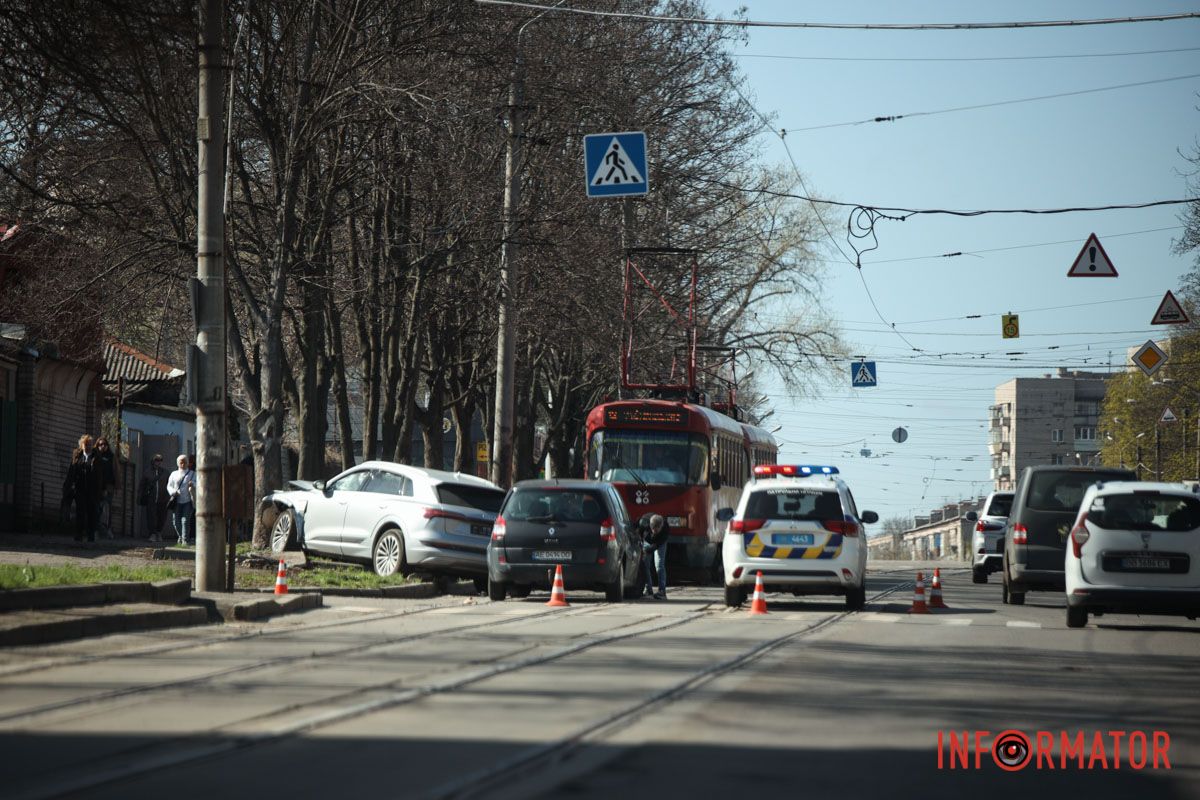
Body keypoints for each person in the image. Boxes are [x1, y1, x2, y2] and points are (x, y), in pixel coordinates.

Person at [64, 434, 101, 543]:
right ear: (82, 445)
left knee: (91, 513)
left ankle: (91, 536)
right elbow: (71, 472)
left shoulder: (96, 457)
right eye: (86, 444)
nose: (88, 446)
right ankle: (78, 534)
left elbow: (100, 475)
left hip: (92, 490)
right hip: (80, 489)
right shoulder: (77, 456)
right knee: (80, 512)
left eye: (90, 444)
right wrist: (68, 486)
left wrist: (100, 489)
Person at [138, 454, 170, 542]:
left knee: (162, 517)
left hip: (163, 498)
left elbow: (170, 484)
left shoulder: (165, 472)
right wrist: (141, 496)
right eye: (156, 460)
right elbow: (142, 485)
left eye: (160, 460)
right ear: (153, 461)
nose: (158, 462)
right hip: (151, 498)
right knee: (151, 517)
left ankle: (159, 532)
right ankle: (152, 534)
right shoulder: (147, 472)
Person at [166, 454, 196, 546]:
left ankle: (185, 540)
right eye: (181, 462)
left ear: (187, 463)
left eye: (185, 462)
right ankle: (180, 536)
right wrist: (173, 492)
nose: (183, 464)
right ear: (178, 463)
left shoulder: (192, 474)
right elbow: (169, 486)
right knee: (176, 521)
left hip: (188, 501)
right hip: (177, 500)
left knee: (185, 520)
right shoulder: (173, 474)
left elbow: (197, 483)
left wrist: (193, 484)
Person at [640, 513, 669, 600]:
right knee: (645, 564)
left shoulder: (665, 529)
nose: (655, 532)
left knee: (659, 565)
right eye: (653, 529)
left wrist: (647, 550)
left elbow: (657, 545)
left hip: (659, 543)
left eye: (657, 530)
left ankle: (662, 591)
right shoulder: (643, 523)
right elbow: (638, 533)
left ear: (661, 526)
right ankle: (648, 589)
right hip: (646, 541)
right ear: (650, 526)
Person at [94, 437, 118, 539]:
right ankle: (95, 530)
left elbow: (115, 472)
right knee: (96, 509)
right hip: (97, 486)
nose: (103, 446)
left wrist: (116, 485)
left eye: (104, 444)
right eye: (100, 444)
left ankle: (108, 529)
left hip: (108, 487)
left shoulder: (111, 457)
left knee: (107, 509)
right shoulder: (95, 456)